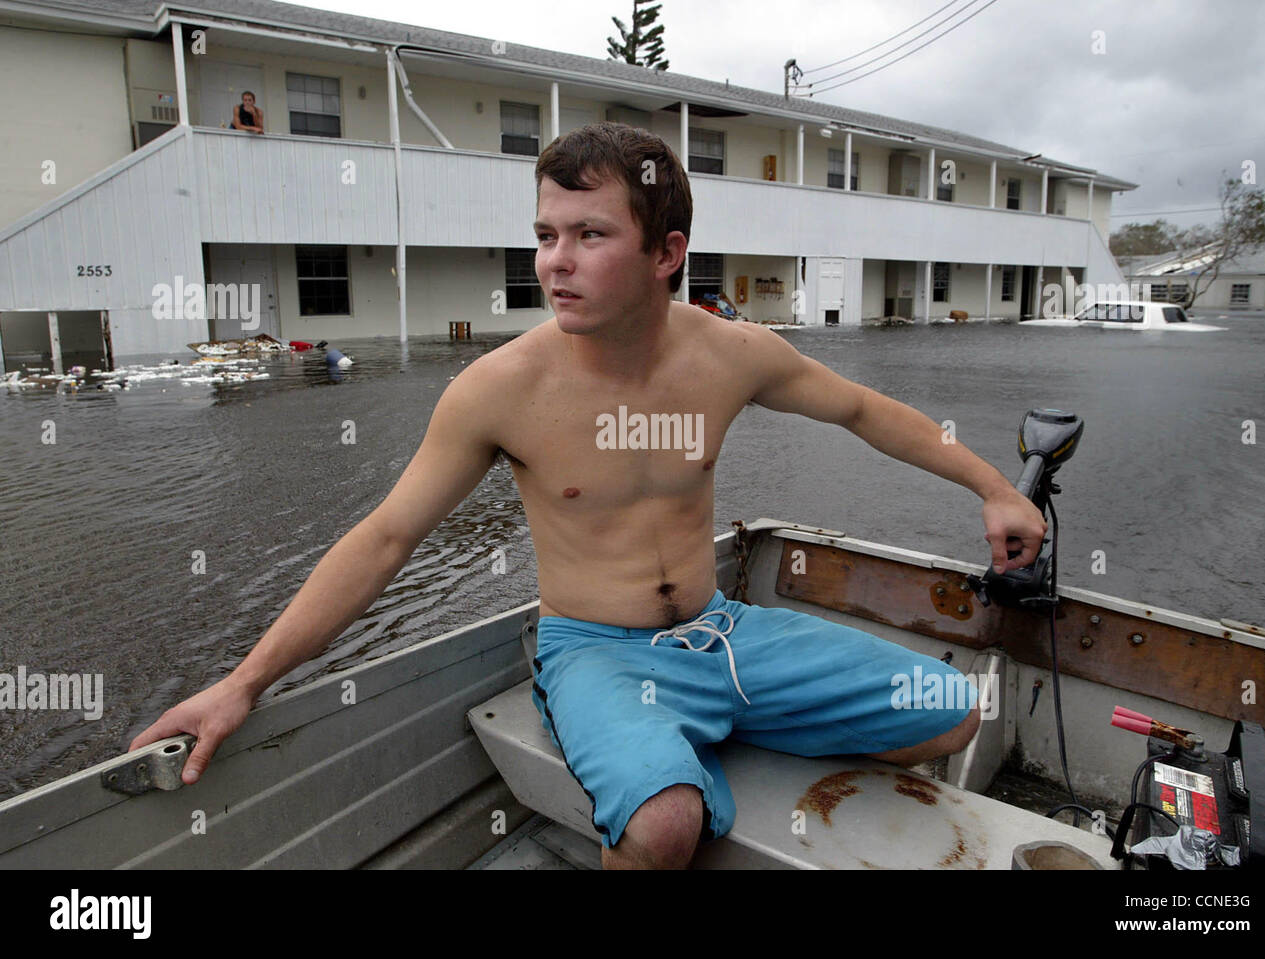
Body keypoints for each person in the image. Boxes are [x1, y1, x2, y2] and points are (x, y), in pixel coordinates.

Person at [130, 121, 1047, 870]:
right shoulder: (501, 389)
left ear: (665, 251)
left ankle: (708, 731)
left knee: (952, 709)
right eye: (545, 235)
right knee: (664, 828)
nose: (554, 263)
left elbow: (862, 410)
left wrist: (995, 487)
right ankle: (663, 764)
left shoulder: (730, 355)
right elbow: (384, 537)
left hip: (722, 631)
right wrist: (244, 684)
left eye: (589, 235)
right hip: (596, 652)